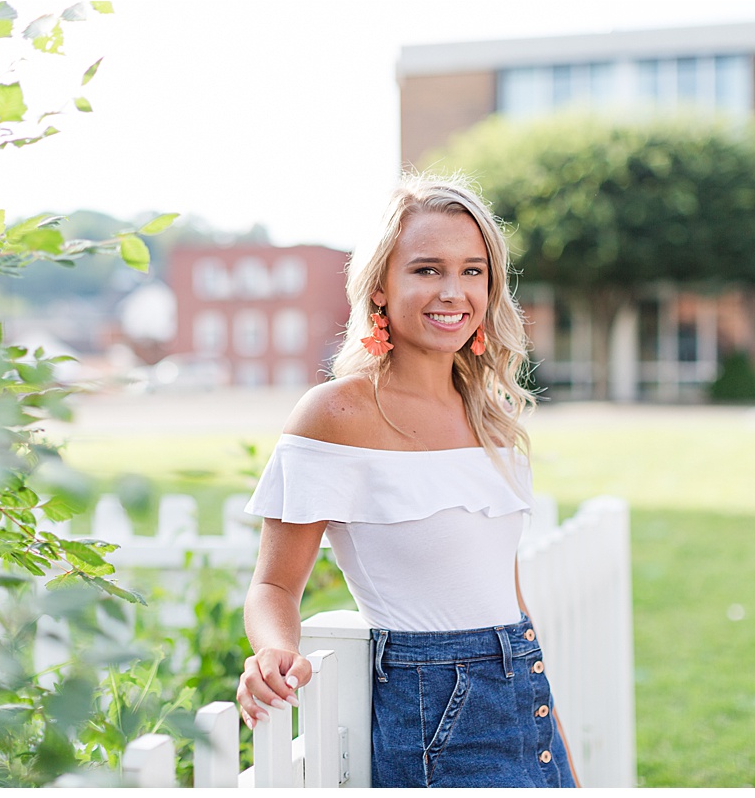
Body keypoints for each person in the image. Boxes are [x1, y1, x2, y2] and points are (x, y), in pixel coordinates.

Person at [236, 172, 580, 788]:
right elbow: (273, 585)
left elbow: (507, 597)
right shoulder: (335, 414)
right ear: (379, 287)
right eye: (426, 270)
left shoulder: (491, 415)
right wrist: (272, 652)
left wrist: (557, 739)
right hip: (436, 715)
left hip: (524, 695)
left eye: (473, 271)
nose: (453, 292)